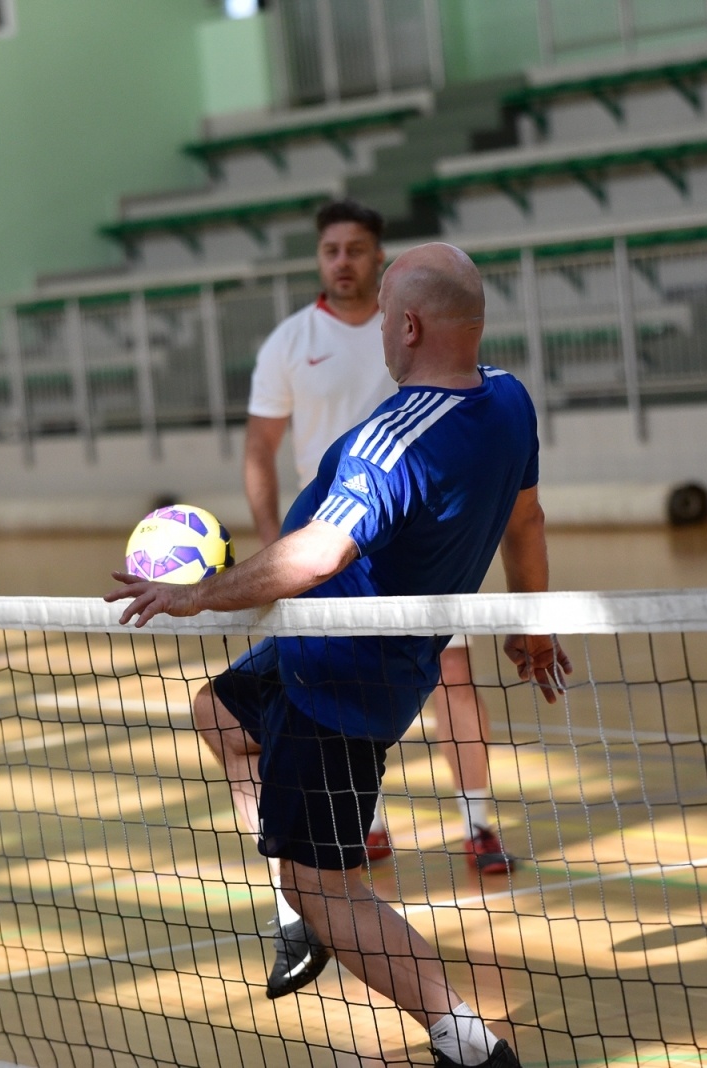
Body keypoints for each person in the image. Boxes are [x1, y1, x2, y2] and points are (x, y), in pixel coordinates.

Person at [108, 243, 569, 1068]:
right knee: (218, 713)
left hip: (335, 680)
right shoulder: (508, 400)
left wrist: (197, 594)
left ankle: (468, 1044)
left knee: (326, 888)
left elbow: (320, 554)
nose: (380, 332)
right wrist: (532, 623)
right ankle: (295, 901)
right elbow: (525, 521)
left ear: (411, 325)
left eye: (387, 316)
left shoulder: (392, 443)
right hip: (336, 651)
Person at [245, 199, 519, 885]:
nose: (342, 261)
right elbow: (259, 450)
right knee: (335, 689)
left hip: (419, 544)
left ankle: (478, 821)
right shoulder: (288, 343)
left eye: (356, 249)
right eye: (330, 249)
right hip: (333, 550)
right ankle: (365, 823)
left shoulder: (418, 325)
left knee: (454, 678)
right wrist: (274, 549)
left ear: (378, 257)